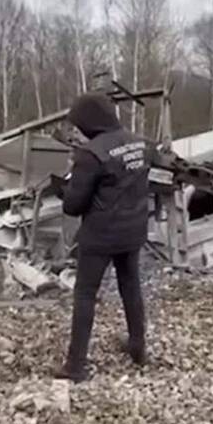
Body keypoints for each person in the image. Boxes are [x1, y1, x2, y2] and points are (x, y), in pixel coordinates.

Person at [54, 91, 152, 383]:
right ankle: (138, 348)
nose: (79, 130)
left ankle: (76, 365)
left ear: (90, 122)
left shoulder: (91, 154)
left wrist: (64, 191)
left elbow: (73, 206)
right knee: (130, 286)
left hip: (101, 235)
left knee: (85, 293)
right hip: (133, 229)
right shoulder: (141, 144)